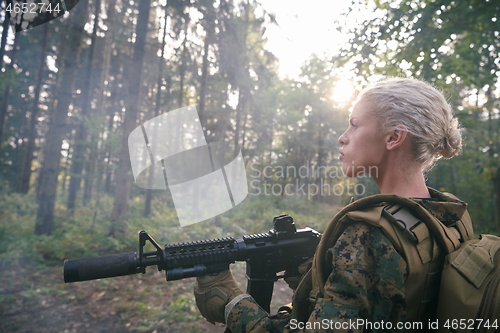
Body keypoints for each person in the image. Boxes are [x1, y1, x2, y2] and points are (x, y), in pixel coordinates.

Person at [193, 77, 470, 332]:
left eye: (355, 124)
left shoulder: (369, 235)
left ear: (393, 138)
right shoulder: (449, 215)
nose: (342, 136)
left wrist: (233, 302)